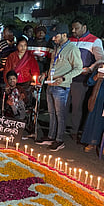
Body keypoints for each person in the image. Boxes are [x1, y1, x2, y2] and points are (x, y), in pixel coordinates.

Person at [38, 23, 83, 151]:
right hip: (50, 84)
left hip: (61, 86)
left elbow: (78, 68)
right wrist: (45, 74)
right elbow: (54, 65)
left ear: (64, 34)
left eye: (56, 36)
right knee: (51, 113)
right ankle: (51, 136)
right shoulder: (57, 47)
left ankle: (59, 140)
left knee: (60, 114)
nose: (53, 39)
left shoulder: (72, 49)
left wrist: (64, 78)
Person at [69, 17, 104, 141]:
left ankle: (74, 130)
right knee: (63, 104)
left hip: (81, 78)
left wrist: (90, 69)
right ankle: (60, 129)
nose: (74, 31)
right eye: (72, 28)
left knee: (77, 106)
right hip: (67, 77)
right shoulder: (70, 39)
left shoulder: (95, 41)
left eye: (77, 28)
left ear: (84, 27)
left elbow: (100, 59)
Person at [3, 36, 40, 104]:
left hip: (26, 84)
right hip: (13, 83)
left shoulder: (30, 57)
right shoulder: (12, 56)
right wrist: (7, 84)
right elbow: (7, 71)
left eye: (25, 45)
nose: (23, 48)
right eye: (21, 45)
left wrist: (36, 81)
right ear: (17, 46)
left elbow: (35, 71)